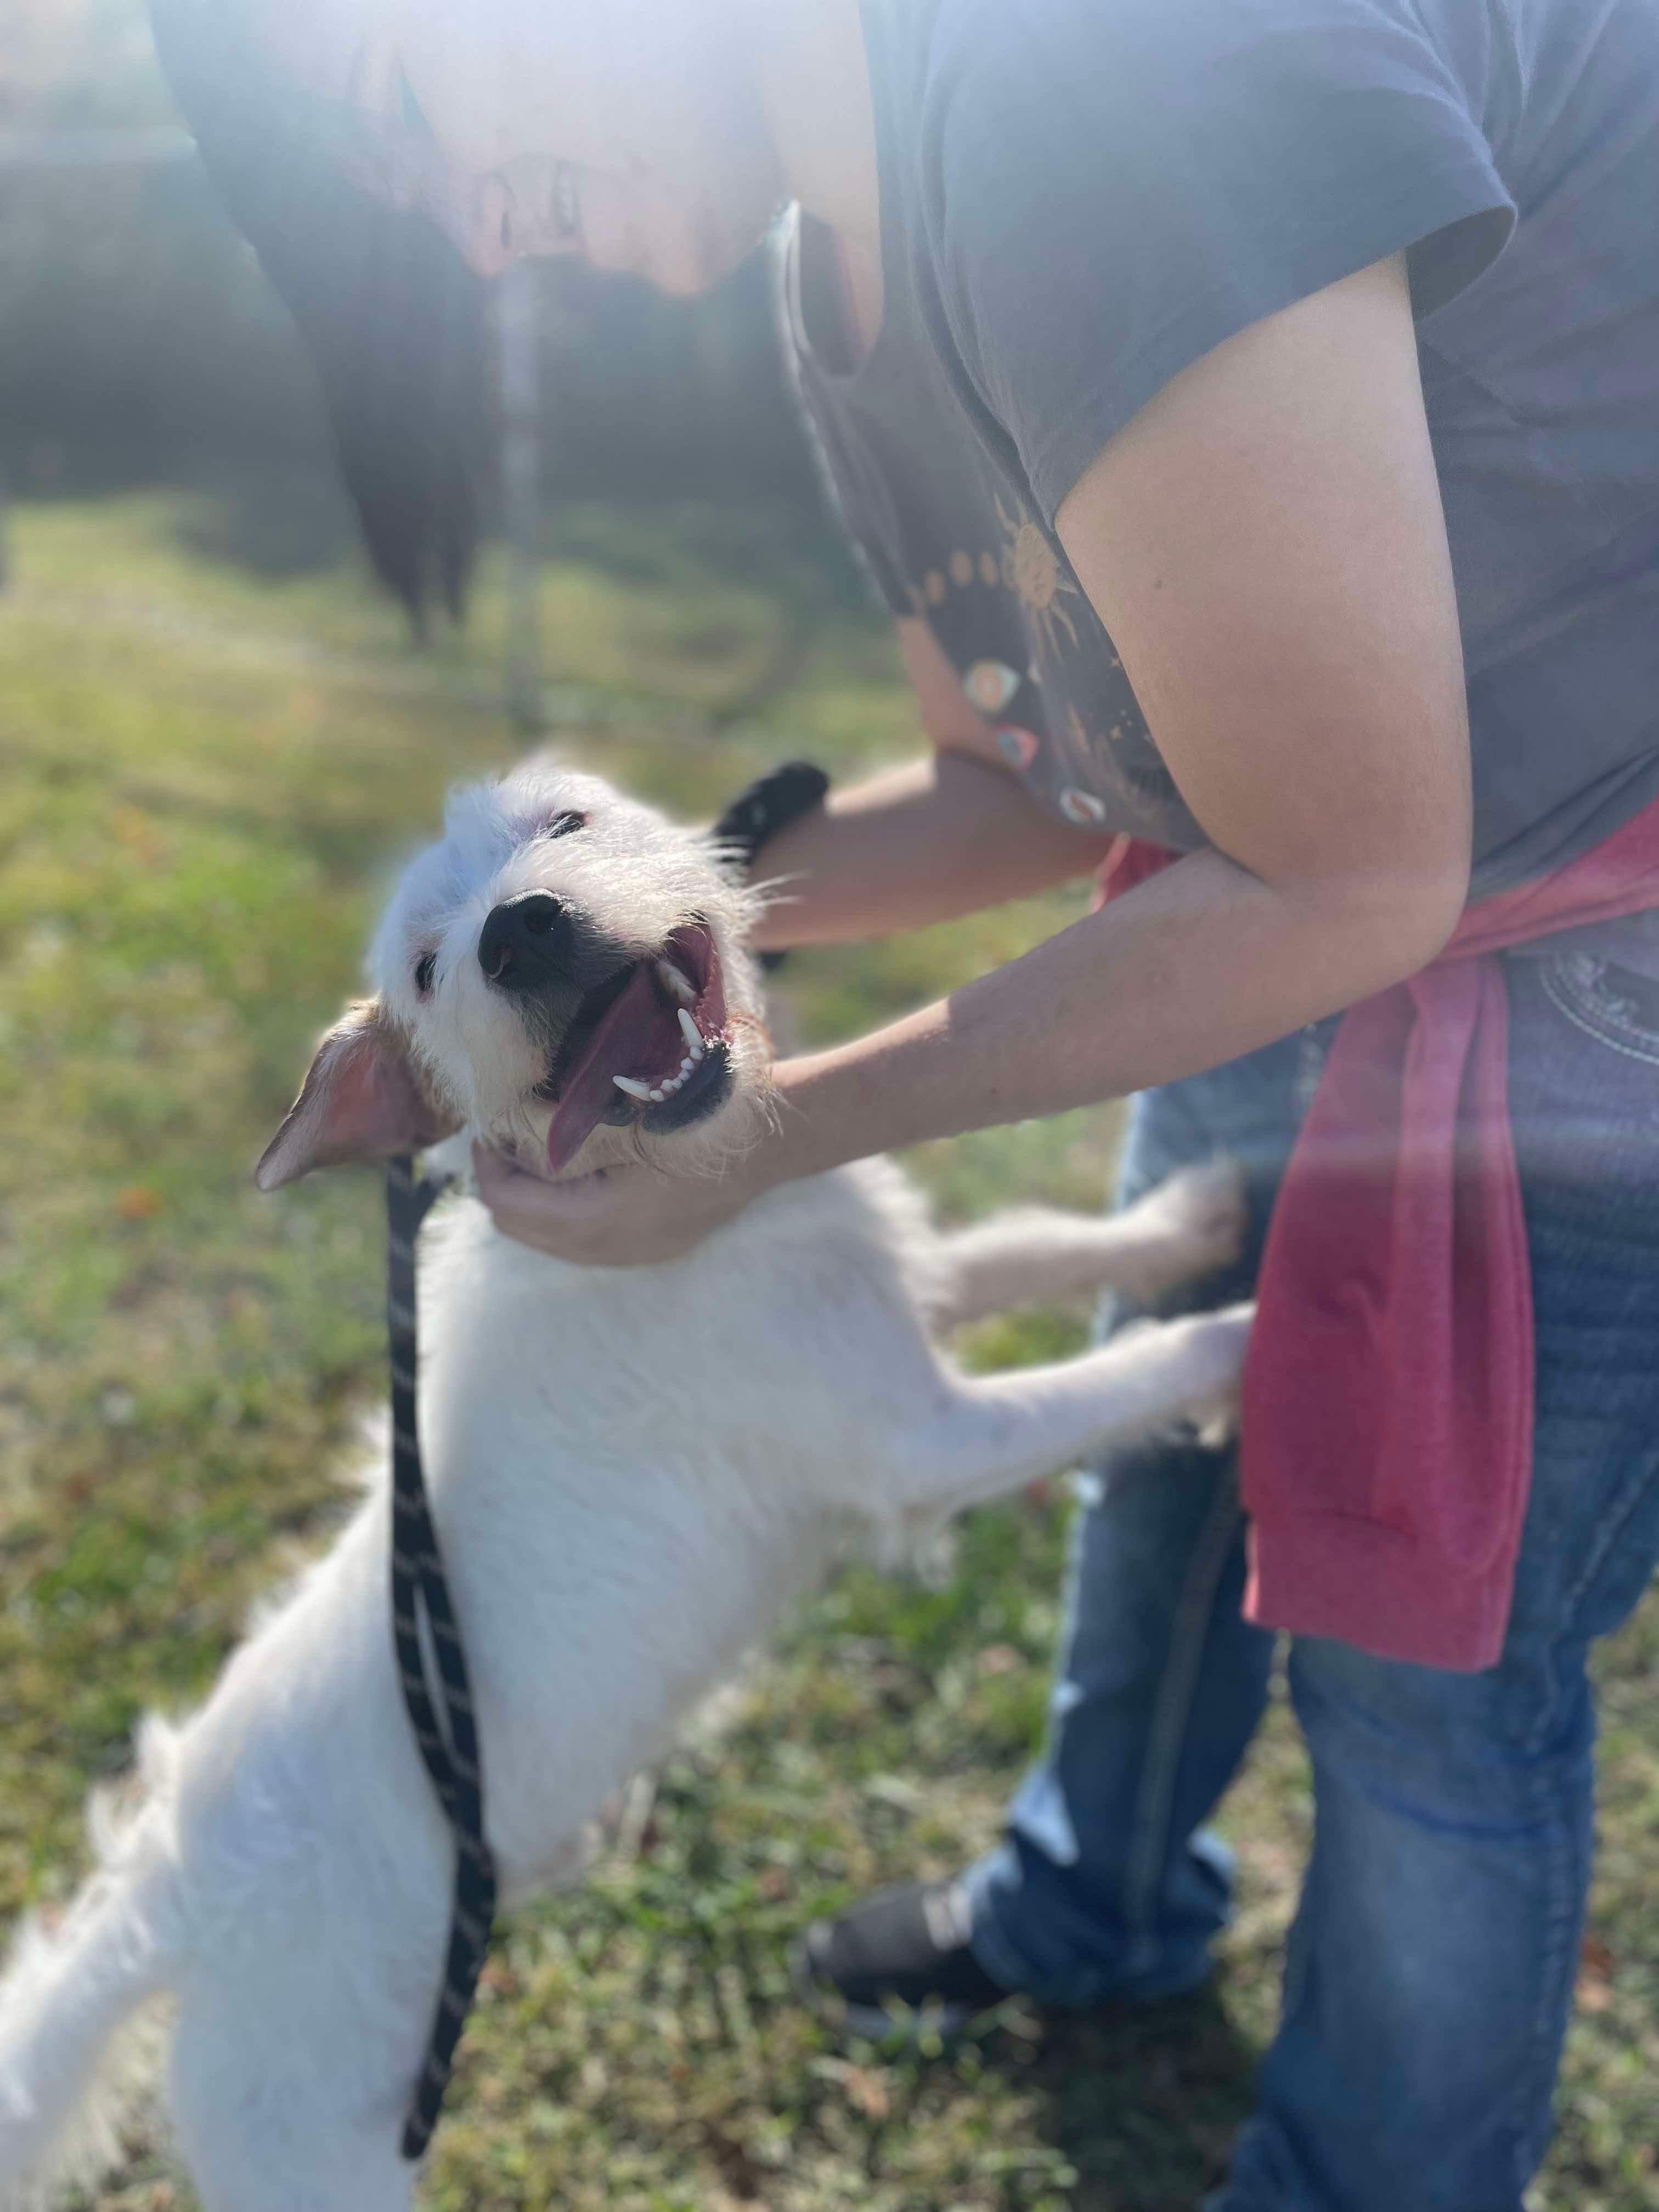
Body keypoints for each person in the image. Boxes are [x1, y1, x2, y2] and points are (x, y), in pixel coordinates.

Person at [149, 1, 1659, 2204]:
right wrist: (588, 932)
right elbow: (1016, 787)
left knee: (1426, 1685)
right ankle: (1093, 1907)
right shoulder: (826, 269)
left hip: (1574, 946)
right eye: (409, 215)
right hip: (1257, 883)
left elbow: (1354, 863)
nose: (479, 238)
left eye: (414, 119)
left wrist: (765, 1136)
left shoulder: (1093, 88)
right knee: (1166, 1484)